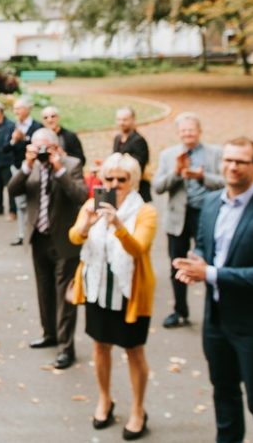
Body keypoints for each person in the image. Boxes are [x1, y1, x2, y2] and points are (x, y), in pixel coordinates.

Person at [174, 137, 253, 443]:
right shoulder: (210, 203)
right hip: (217, 321)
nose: (233, 167)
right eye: (228, 160)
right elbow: (205, 247)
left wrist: (210, 273)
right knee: (225, 396)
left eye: (242, 161)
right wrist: (195, 264)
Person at [69, 153, 157, 439]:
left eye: (122, 179)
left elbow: (138, 248)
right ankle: (104, 398)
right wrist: (87, 224)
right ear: (102, 179)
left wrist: (118, 225)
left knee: (134, 351)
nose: (115, 184)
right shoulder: (92, 204)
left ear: (133, 182)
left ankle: (138, 409)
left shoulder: (145, 212)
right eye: (110, 178)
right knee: (100, 347)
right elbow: (74, 237)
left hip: (129, 293)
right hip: (98, 290)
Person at [7, 127, 88, 370]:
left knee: (65, 296)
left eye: (46, 147)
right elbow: (12, 190)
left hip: (64, 240)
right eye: (37, 147)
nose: (42, 152)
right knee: (44, 290)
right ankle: (49, 334)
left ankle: (66, 348)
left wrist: (58, 168)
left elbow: (81, 196)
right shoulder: (31, 167)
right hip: (38, 238)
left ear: (55, 147)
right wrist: (26, 165)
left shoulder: (71, 165)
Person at [152, 111, 223, 328]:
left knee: (211, 265)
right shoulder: (168, 155)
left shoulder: (214, 153)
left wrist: (201, 177)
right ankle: (180, 311)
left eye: (191, 130)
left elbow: (225, 182)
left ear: (199, 132)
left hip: (207, 216)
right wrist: (176, 172)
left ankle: (216, 312)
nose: (187, 134)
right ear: (178, 133)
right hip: (178, 218)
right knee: (177, 265)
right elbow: (158, 186)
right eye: (183, 131)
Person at [9, 97, 40, 244]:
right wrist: (13, 141)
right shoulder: (12, 126)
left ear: (27, 109)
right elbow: (5, 149)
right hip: (18, 168)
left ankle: (33, 232)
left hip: (34, 169)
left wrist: (24, 140)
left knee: (34, 201)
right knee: (20, 203)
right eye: (14, 109)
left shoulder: (37, 127)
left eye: (18, 108)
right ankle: (22, 234)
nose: (15, 112)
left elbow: (38, 147)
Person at [112, 107, 152, 202]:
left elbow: (138, 167)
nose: (121, 122)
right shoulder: (118, 138)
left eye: (125, 120)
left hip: (136, 189)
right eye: (119, 119)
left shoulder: (138, 141)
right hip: (121, 188)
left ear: (133, 120)